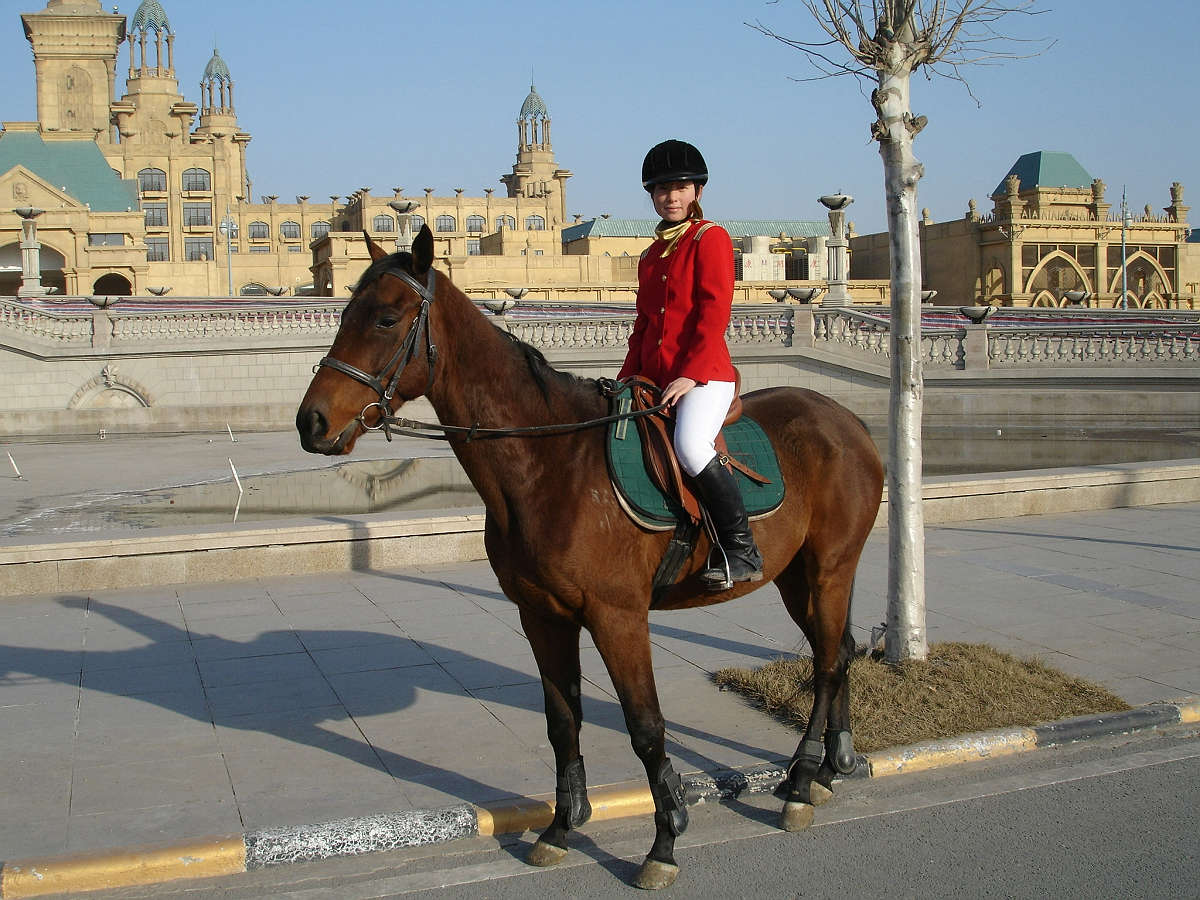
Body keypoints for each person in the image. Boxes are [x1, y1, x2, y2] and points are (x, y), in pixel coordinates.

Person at [617, 139, 763, 590]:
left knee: (692, 446)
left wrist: (690, 372)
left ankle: (742, 550)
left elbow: (713, 311)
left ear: (697, 190)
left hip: (705, 376)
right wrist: (625, 381)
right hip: (656, 379)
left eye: (680, 187)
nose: (671, 196)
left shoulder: (710, 238)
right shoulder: (650, 255)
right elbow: (644, 325)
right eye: (661, 190)